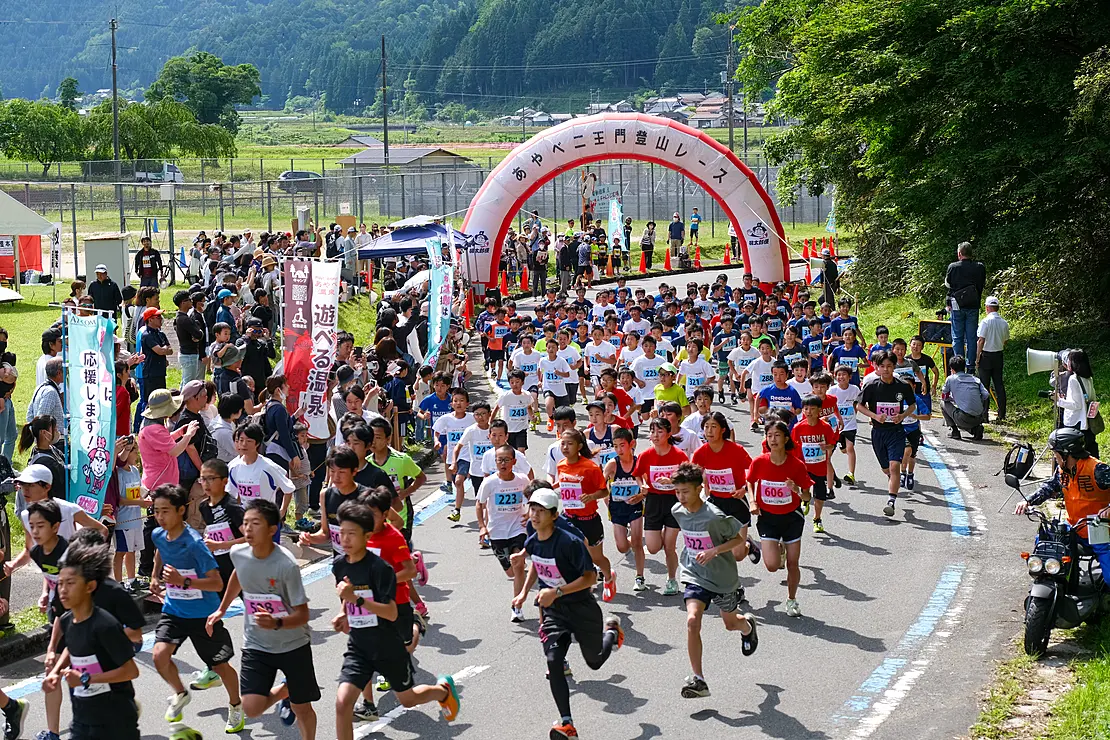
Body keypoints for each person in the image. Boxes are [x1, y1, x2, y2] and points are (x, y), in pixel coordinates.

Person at [330, 499, 460, 740]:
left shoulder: (380, 569)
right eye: (342, 533)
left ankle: (442, 691)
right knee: (342, 703)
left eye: (351, 534)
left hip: (387, 646)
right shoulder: (339, 565)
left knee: (408, 699)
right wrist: (342, 613)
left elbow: (390, 612)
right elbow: (345, 595)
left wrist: (356, 600)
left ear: (366, 535)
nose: (345, 540)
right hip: (359, 647)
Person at [511, 488, 623, 740]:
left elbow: (590, 578)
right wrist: (524, 594)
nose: (535, 516)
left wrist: (557, 591)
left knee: (594, 662)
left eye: (541, 511)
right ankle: (567, 723)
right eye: (533, 510)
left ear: (554, 515)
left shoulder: (569, 542)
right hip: (554, 612)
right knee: (553, 661)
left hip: (581, 607)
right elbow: (536, 565)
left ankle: (612, 633)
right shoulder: (532, 540)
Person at [208, 498, 318, 738]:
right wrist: (222, 608)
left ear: (271, 529)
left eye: (255, 523)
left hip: (293, 644)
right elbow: (238, 573)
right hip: (256, 643)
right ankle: (283, 692)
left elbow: (303, 614)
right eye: (245, 523)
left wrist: (277, 622)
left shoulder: (286, 565)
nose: (247, 529)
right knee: (252, 707)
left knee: (302, 707)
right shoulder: (238, 552)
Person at [149, 484, 244, 733]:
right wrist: (155, 575)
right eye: (156, 511)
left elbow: (217, 583)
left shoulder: (194, 544)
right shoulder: (159, 534)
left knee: (221, 667)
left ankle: (235, 706)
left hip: (204, 615)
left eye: (165, 511)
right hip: (174, 611)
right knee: (159, 656)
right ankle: (181, 693)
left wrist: (183, 581)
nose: (160, 517)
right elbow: (161, 551)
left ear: (181, 510)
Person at [669, 463, 758, 699]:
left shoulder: (714, 516)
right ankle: (699, 680)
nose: (681, 497)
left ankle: (747, 626)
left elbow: (738, 540)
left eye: (685, 491)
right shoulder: (677, 510)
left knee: (730, 623)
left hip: (722, 577)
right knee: (692, 620)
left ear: (699, 489)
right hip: (694, 573)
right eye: (677, 491)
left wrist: (715, 551)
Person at [41, 538, 142, 740]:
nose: (63, 590)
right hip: (82, 718)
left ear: (90, 586)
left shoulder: (105, 625)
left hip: (115, 721)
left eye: (70, 583)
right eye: (60, 583)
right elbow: (73, 645)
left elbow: (131, 670)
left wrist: (86, 679)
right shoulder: (69, 621)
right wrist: (56, 672)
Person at [1015, 428, 1110, 578]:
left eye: (1056, 454)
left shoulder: (1098, 470)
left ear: (1067, 454)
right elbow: (1049, 487)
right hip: (1074, 527)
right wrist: (1027, 501)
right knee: (1044, 539)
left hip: (1101, 533)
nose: (1055, 458)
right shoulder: (1062, 471)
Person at [748, 420, 812, 617]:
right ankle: (754, 545)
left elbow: (807, 496)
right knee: (772, 566)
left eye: (777, 435)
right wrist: (752, 501)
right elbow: (749, 481)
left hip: (791, 518)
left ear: (786, 438)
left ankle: (792, 600)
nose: (773, 439)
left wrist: (797, 491)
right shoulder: (759, 462)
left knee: (793, 563)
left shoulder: (796, 465)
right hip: (768, 519)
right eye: (769, 435)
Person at [555, 429, 615, 601]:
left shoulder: (590, 467)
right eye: (563, 443)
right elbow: (564, 482)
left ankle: (609, 578)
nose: (565, 447)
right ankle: (582, 586)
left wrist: (591, 496)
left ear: (579, 446)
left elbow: (604, 490)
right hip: (569, 518)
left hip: (589, 520)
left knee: (597, 557)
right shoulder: (561, 465)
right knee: (573, 555)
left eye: (570, 443)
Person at [633, 418, 689, 595]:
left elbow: (689, 478)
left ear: (668, 434)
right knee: (652, 547)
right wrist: (642, 485)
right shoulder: (646, 455)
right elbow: (637, 474)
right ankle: (664, 534)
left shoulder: (679, 455)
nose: (655, 436)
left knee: (669, 546)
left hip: (674, 502)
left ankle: (672, 580)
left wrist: (673, 481)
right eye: (652, 432)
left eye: (659, 432)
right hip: (654, 502)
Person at [859, 351, 914, 517]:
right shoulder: (871, 386)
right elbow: (859, 406)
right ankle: (893, 480)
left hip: (896, 431)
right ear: (877, 367)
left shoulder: (902, 386)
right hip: (878, 432)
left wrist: (902, 416)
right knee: (886, 469)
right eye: (882, 366)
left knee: (894, 465)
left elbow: (912, 405)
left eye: (889, 366)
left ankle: (891, 501)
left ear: (894, 366)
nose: (886, 369)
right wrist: (875, 416)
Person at [945, 241, 986, 372]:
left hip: (957, 304)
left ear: (959, 253)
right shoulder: (980, 267)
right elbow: (982, 284)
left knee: (957, 336)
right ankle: (971, 366)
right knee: (972, 336)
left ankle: (958, 365)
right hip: (973, 304)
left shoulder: (953, 267)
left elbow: (948, 285)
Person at [1060, 349, 1100, 458]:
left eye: (1069, 360)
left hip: (1075, 422)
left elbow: (1076, 405)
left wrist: (1059, 401)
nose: (1067, 363)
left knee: (1074, 453)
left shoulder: (1073, 379)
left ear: (1074, 363)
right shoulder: (1088, 378)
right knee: (1089, 452)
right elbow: (1089, 399)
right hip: (1087, 423)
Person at [940, 354, 990, 441]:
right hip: (979, 417)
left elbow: (944, 397)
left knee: (942, 403)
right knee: (963, 413)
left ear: (952, 369)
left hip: (964, 418)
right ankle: (974, 430)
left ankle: (954, 431)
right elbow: (986, 395)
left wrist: (952, 398)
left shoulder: (951, 379)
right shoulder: (975, 379)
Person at [976, 295, 1009, 421]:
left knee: (984, 385)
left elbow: (981, 341)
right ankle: (1002, 414)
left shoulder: (985, 322)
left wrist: (977, 358)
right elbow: (1005, 341)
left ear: (987, 307)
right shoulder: (1004, 323)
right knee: (999, 384)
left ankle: (984, 415)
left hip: (986, 355)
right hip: (998, 355)